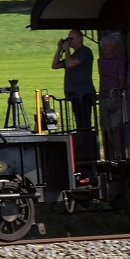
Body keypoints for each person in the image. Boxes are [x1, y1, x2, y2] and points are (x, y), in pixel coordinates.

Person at [52, 28, 96, 160]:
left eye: (71, 39)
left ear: (79, 38)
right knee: (79, 124)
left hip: (83, 94)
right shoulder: (71, 54)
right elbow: (54, 65)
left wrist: (66, 51)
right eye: (67, 39)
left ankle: (89, 153)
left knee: (84, 124)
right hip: (75, 95)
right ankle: (83, 151)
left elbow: (70, 64)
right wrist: (59, 49)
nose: (69, 41)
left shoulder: (84, 52)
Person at [97, 34, 127, 159]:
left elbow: (121, 82)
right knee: (105, 128)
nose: (106, 48)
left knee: (115, 128)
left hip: (114, 96)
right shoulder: (100, 61)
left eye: (108, 46)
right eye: (104, 46)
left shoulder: (119, 62)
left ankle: (120, 154)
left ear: (113, 47)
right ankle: (110, 155)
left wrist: (118, 99)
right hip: (103, 97)